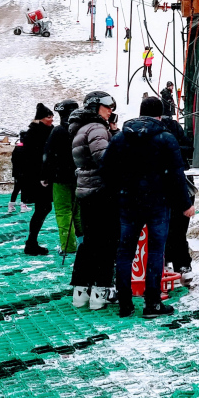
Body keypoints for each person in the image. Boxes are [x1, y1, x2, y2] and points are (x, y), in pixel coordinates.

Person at [104, 95, 194, 319]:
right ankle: (152, 303)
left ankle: (125, 304)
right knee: (156, 251)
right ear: (160, 114)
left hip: (128, 203)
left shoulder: (120, 138)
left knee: (125, 252)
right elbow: (176, 174)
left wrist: (118, 193)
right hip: (157, 203)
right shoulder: (166, 138)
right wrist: (185, 204)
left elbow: (105, 169)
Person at [69, 92, 118, 309]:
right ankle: (101, 290)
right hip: (101, 191)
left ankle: (80, 290)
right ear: (94, 106)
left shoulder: (81, 128)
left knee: (89, 242)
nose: (111, 110)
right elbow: (104, 159)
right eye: (107, 105)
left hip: (86, 190)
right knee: (107, 241)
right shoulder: (97, 128)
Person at [42, 99, 81, 253]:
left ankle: (68, 246)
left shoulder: (58, 130)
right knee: (78, 211)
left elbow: (49, 154)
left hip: (61, 178)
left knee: (64, 212)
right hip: (79, 177)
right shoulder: (83, 128)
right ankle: (83, 241)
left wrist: (45, 175)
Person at [161, 113, 195, 287]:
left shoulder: (157, 136)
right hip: (182, 189)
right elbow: (190, 148)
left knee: (166, 230)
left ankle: (168, 264)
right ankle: (182, 265)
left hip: (165, 189)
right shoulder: (175, 133)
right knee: (179, 230)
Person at [21, 104, 55, 255]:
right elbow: (35, 158)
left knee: (43, 208)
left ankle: (31, 242)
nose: (51, 119)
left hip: (39, 177)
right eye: (48, 116)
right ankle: (31, 242)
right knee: (43, 208)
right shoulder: (36, 133)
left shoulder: (41, 131)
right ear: (41, 118)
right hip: (39, 178)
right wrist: (43, 175)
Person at [10, 131, 26, 206]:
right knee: (24, 188)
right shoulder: (27, 148)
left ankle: (11, 204)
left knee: (16, 188)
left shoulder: (17, 148)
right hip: (24, 171)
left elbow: (12, 160)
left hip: (16, 171)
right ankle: (23, 204)